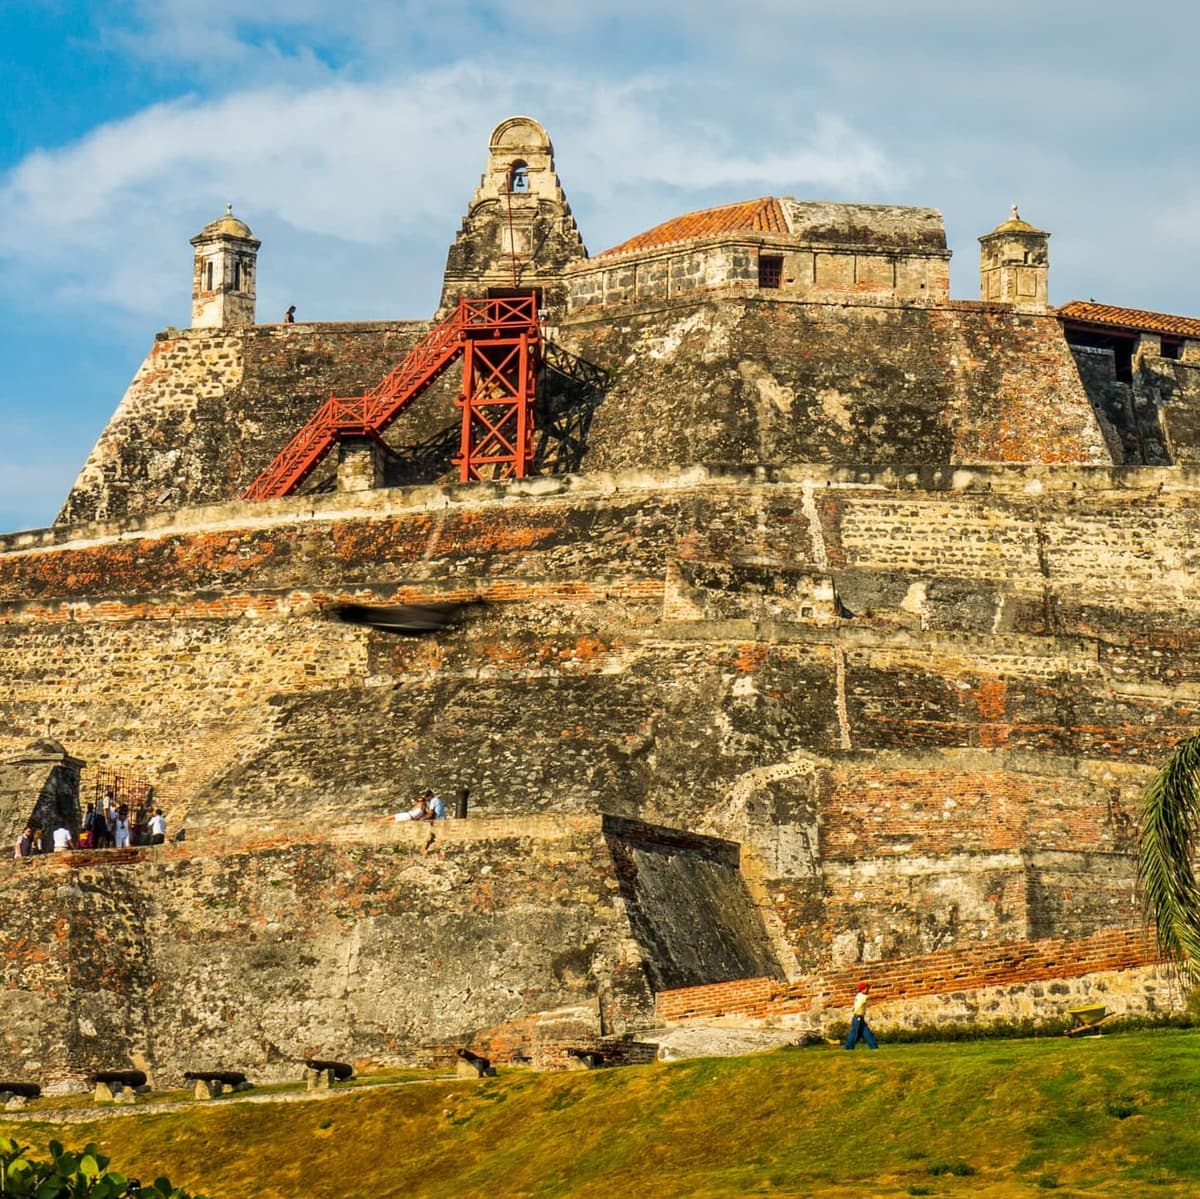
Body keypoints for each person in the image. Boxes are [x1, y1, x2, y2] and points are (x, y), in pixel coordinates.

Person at [843, 981, 879, 1050]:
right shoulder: (863, 997)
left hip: (860, 1018)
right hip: (858, 1018)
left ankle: (874, 1046)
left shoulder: (858, 995)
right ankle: (848, 1047)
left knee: (867, 1032)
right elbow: (869, 999)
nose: (868, 989)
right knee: (854, 1033)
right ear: (862, 989)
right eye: (866, 988)